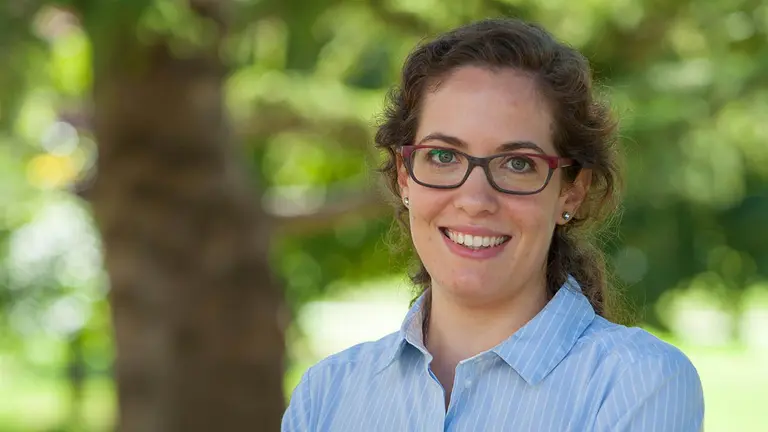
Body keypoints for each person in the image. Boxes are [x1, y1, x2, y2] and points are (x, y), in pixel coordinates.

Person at [282, 17, 704, 431]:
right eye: (444, 156)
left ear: (571, 191)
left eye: (518, 163)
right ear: (404, 175)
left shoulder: (638, 385)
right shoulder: (327, 395)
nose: (475, 200)